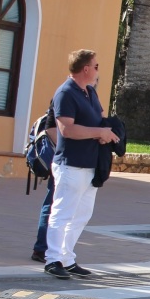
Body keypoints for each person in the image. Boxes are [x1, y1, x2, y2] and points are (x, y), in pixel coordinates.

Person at [43, 49, 120, 280]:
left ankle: (67, 258)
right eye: (96, 66)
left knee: (82, 214)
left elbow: (98, 119)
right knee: (63, 212)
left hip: (90, 164)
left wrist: (107, 133)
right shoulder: (65, 93)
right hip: (71, 165)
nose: (98, 71)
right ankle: (52, 258)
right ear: (85, 68)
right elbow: (66, 129)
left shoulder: (90, 93)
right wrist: (99, 131)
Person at [31, 111, 58, 263]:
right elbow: (51, 129)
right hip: (62, 160)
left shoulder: (87, 96)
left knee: (54, 204)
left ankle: (46, 248)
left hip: (69, 162)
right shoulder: (65, 95)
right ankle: (41, 248)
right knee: (52, 204)